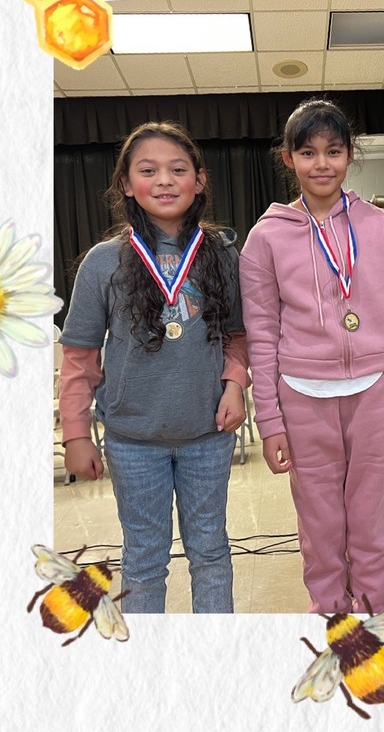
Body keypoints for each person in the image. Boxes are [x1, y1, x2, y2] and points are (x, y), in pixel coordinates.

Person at [59, 121, 249, 614]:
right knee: (143, 559)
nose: (164, 180)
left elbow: (238, 336)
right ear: (126, 183)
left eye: (177, 169)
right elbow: (79, 357)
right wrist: (76, 434)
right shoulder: (103, 262)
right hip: (132, 441)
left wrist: (233, 385)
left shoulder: (222, 256)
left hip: (207, 434)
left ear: (199, 180)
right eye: (148, 170)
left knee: (210, 551)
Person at [239, 99, 384, 614]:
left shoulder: (381, 226)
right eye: (308, 152)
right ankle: (332, 622)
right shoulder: (265, 238)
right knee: (320, 528)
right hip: (302, 397)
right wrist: (269, 422)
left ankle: (375, 618)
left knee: (370, 522)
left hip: (374, 392)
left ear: (349, 155)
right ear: (287, 158)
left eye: (334, 151)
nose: (322, 163)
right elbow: (261, 333)